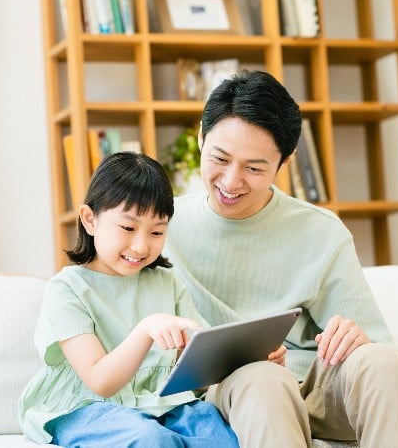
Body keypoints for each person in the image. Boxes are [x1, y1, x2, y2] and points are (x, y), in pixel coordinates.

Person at [163, 70, 398, 447]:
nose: (231, 181)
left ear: (284, 164)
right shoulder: (159, 228)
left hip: (314, 390)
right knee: (264, 380)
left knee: (386, 363)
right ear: (201, 139)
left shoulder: (320, 231)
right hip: (235, 392)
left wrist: (356, 337)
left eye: (254, 168)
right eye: (220, 158)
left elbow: (373, 343)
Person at [18, 151, 238, 448]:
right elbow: (100, 382)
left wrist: (244, 357)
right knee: (149, 439)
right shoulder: (66, 289)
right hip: (87, 407)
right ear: (90, 219)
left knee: (220, 436)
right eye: (128, 228)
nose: (141, 245)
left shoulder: (166, 283)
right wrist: (147, 329)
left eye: (157, 231)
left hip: (160, 402)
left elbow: (200, 374)